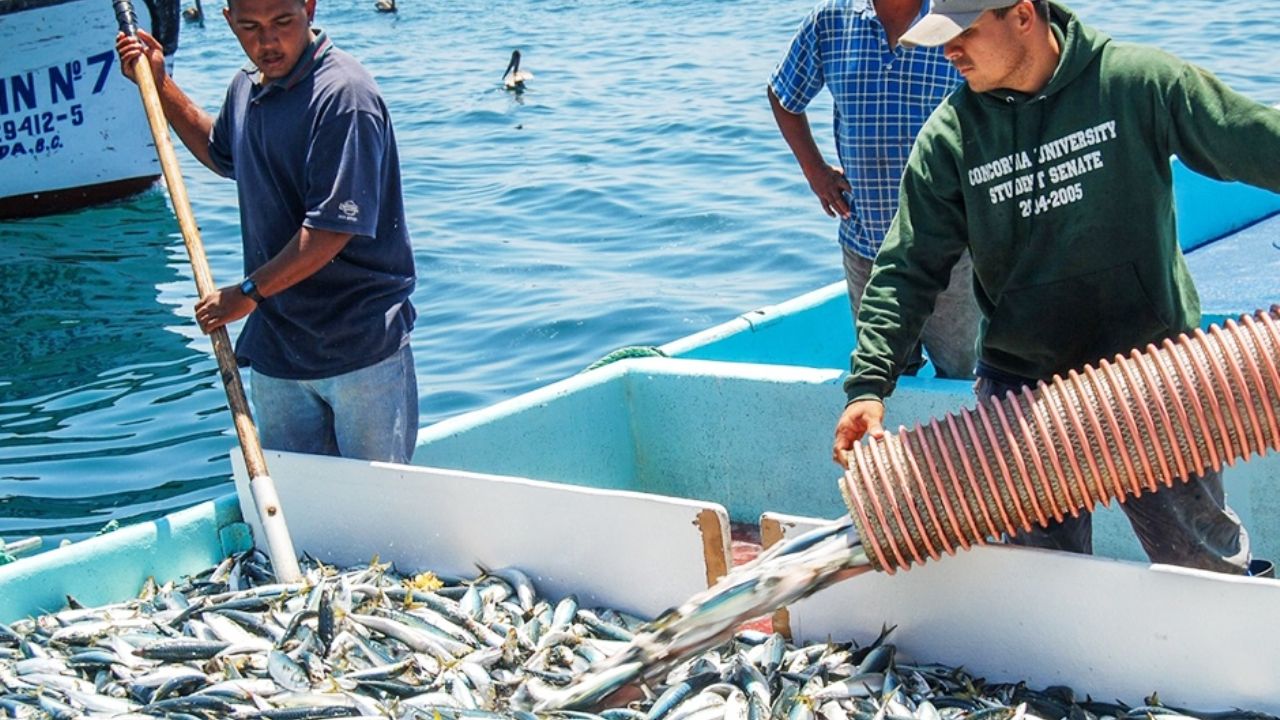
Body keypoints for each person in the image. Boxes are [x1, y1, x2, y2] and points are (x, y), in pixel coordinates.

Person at [832, 0, 1280, 574]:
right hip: (1024, 397)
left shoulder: (1135, 82)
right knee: (1041, 584)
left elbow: (1251, 138)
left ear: (1022, 15)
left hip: (1153, 375)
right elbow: (906, 268)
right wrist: (869, 384)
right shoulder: (950, 137)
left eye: (964, 32)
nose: (950, 51)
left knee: (1204, 565)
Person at [116, 0, 419, 463]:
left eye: (282, 23)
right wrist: (159, 84)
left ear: (309, 8)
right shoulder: (246, 86)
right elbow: (221, 153)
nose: (267, 42)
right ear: (228, 21)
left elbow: (329, 231)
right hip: (280, 348)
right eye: (250, 27)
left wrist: (247, 293)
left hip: (360, 349)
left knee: (379, 514)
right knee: (300, 509)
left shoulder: (343, 97)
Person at [769, 0, 981, 380]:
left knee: (964, 377)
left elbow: (1003, 105)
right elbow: (783, 95)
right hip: (866, 246)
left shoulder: (954, 18)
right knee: (886, 378)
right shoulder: (831, 20)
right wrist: (814, 170)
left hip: (950, 250)